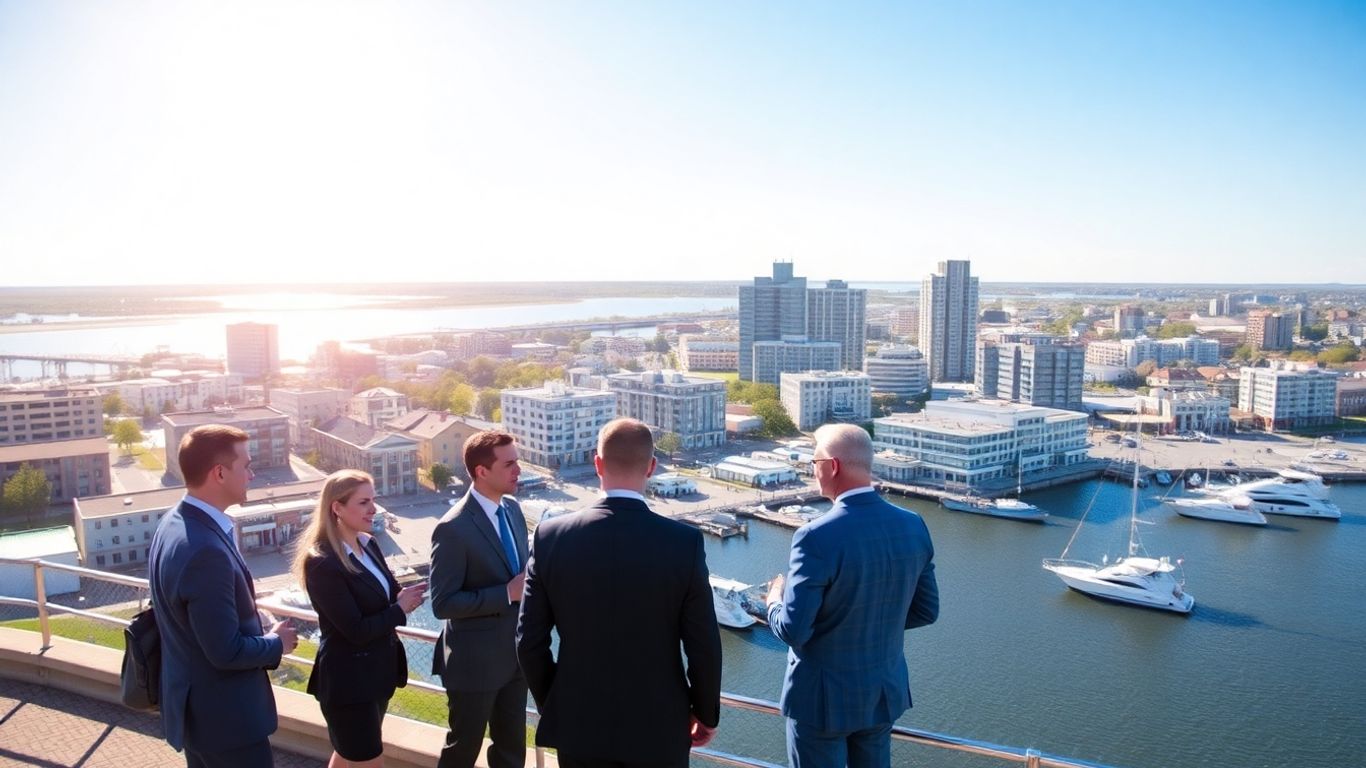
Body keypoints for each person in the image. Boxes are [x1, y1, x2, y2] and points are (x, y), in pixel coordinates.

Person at [517, 418, 723, 768]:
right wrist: (706, 713)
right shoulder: (683, 543)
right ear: (652, 467)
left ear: (597, 463)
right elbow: (703, 644)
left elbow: (528, 642)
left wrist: (557, 703)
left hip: (579, 725)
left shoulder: (550, 537)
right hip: (660, 728)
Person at [765, 424, 939, 768]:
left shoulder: (814, 536)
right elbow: (926, 610)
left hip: (821, 701)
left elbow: (793, 630)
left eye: (814, 462)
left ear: (832, 466)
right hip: (881, 692)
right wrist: (873, 623)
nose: (812, 471)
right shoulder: (913, 524)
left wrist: (773, 601)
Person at [148, 424, 299, 768]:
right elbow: (224, 651)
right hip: (227, 724)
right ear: (219, 473)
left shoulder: (172, 524)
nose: (252, 475)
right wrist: (277, 643)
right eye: (246, 465)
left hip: (198, 715)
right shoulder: (206, 551)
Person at [294, 470, 428, 767]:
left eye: (373, 500)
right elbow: (354, 629)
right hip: (349, 684)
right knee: (367, 759)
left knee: (348, 755)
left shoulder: (368, 543)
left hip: (376, 676)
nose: (374, 509)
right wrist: (399, 609)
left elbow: (390, 590)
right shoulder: (322, 562)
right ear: (337, 508)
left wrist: (408, 595)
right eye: (364, 502)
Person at [429, 430, 531, 768]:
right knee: (462, 753)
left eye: (517, 461)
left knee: (512, 754)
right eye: (509, 464)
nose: (518, 470)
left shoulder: (513, 509)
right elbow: (443, 603)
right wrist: (505, 593)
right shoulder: (453, 528)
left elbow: (522, 575)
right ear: (482, 471)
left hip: (515, 659)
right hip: (473, 664)